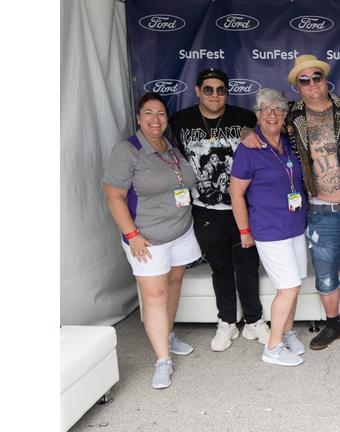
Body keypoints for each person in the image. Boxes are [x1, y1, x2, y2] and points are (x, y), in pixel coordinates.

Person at [241, 54, 340, 353]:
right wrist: (245, 132)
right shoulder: (291, 114)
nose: (311, 84)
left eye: (316, 77)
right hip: (320, 212)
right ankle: (333, 326)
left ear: (324, 79)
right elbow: (264, 125)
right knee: (325, 276)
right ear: (297, 86)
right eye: (304, 80)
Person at [103, 92, 202, 389]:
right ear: (138, 117)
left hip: (181, 231)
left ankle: (168, 335)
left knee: (173, 284)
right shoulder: (127, 150)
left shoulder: (169, 145)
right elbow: (113, 195)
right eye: (149, 113)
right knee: (154, 296)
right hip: (147, 239)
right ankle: (162, 360)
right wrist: (132, 235)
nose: (155, 119)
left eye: (160, 113)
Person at [169, 68, 269, 352]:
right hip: (205, 209)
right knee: (221, 267)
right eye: (208, 89)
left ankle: (253, 321)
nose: (215, 95)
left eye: (221, 89)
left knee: (248, 267)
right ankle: (226, 322)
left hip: (244, 207)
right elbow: (173, 158)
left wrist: (251, 130)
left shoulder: (245, 118)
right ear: (198, 90)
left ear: (227, 92)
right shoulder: (180, 120)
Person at [230, 89, 307, 367]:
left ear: (285, 115)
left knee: (295, 286)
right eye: (266, 110)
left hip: (296, 226)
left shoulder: (288, 142)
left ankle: (286, 334)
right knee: (287, 288)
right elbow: (236, 194)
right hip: (269, 229)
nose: (272, 115)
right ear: (257, 114)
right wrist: (244, 231)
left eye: (278, 110)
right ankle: (272, 348)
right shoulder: (248, 148)